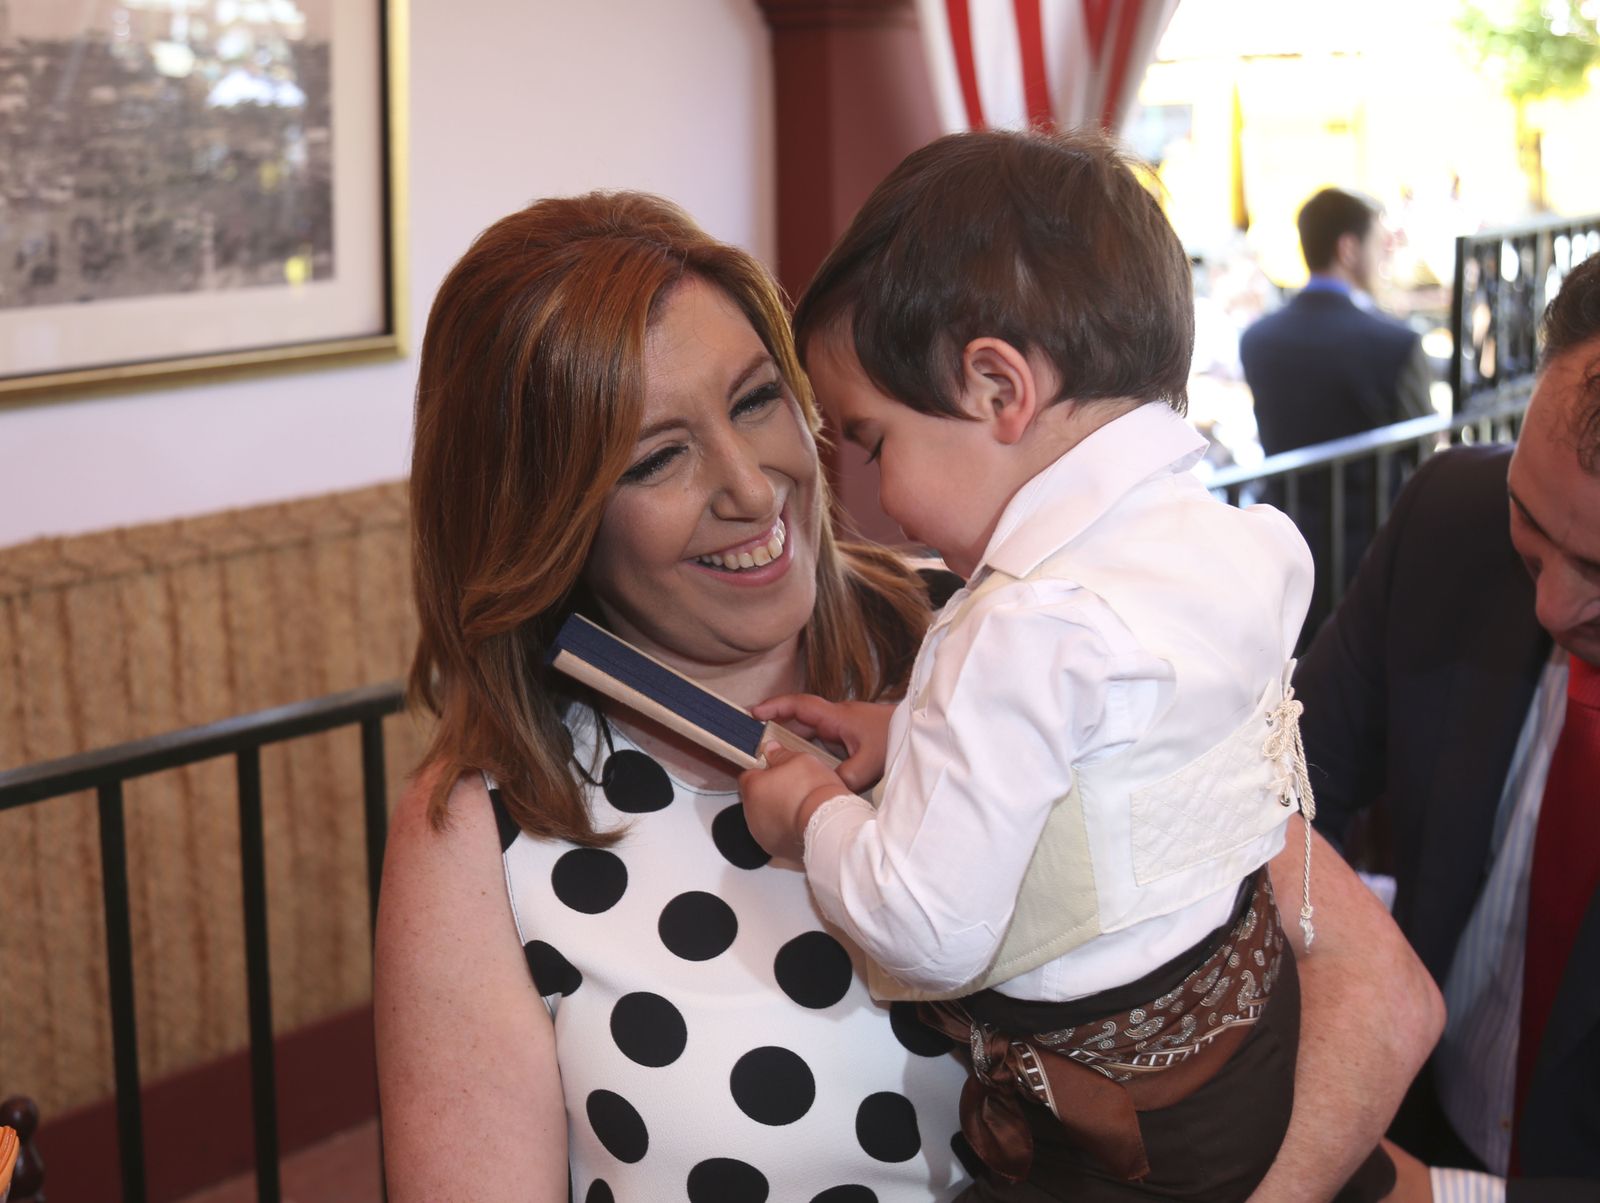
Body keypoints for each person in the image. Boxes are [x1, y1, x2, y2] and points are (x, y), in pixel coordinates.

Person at [374, 187, 1441, 1203]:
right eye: (658, 459)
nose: (750, 485)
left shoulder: (1014, 629)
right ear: (551, 517)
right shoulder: (487, 829)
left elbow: (1374, 989)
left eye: (758, 401)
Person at [738, 129, 1390, 1203]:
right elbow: (1123, 747)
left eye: (872, 442)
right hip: (1251, 1048)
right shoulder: (1245, 544)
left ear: (999, 389)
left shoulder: (1021, 627)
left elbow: (927, 927)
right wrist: (910, 731)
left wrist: (810, 809)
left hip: (1115, 1138)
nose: (869, 493)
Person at [1296, 249, 1600, 1201]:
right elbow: (1288, 784)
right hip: (1405, 1121)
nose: (1552, 605)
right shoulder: (1450, 518)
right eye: (1533, 527)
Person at [1240, 188, 1434, 642]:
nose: (1383, 257)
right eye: (1376, 243)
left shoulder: (1258, 339)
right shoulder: (1395, 344)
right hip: (1370, 553)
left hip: (1283, 546)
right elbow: (1421, 455)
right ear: (1348, 248)